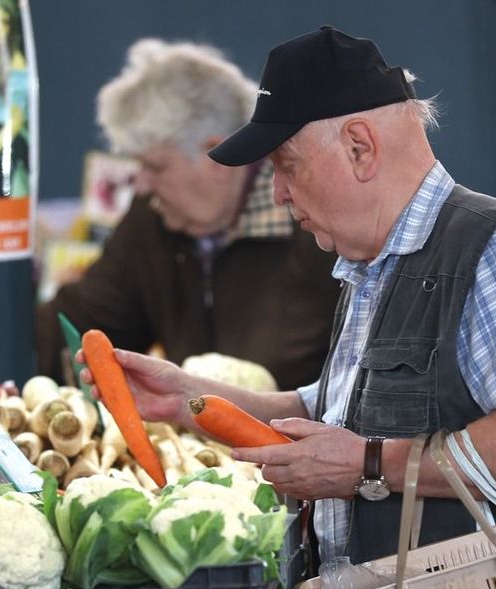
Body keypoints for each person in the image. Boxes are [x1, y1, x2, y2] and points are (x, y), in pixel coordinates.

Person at [81, 26, 496, 589]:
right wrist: (186, 399)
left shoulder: (493, 249)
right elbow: (329, 409)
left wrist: (362, 467)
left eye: (286, 166)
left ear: (359, 147)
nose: (279, 191)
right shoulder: (371, 267)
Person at [36, 39, 341, 391]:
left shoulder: (316, 227)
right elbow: (84, 323)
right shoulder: (152, 218)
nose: (141, 185)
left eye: (155, 166)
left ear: (216, 154)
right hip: (189, 440)